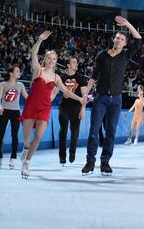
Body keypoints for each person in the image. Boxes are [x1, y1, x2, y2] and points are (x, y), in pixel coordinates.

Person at [20, 30, 86, 179]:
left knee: (37, 137)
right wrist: (39, 41)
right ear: (46, 60)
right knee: (26, 138)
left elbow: (66, 92)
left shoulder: (56, 77)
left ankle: (27, 163)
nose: (51, 60)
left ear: (56, 61)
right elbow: (33, 54)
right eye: (49, 58)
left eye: (54, 58)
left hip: (45, 108)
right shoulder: (38, 70)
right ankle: (25, 149)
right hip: (31, 105)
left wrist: (80, 99)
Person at [81, 16, 142, 176]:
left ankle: (105, 162)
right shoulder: (102, 55)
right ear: (113, 39)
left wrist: (127, 24)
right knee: (94, 130)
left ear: (125, 43)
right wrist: (85, 95)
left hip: (116, 100)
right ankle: (90, 161)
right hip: (100, 98)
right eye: (117, 38)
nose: (119, 40)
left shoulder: (126, 56)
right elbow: (93, 76)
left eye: (122, 39)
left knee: (111, 131)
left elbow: (138, 38)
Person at [53, 57, 88, 165]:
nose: (76, 64)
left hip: (76, 107)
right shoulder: (61, 77)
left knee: (74, 131)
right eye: (74, 62)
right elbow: (54, 92)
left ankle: (72, 152)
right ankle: (62, 155)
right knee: (63, 130)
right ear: (68, 65)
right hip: (64, 106)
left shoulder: (81, 77)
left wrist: (83, 109)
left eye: (77, 62)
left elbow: (84, 96)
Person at [0, 65, 28, 169]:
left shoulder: (21, 85)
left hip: (15, 112)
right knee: (1, 135)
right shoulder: (3, 84)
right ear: (11, 73)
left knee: (15, 135)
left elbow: (27, 97)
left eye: (19, 71)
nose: (19, 73)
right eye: (17, 71)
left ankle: (13, 158)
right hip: (4, 111)